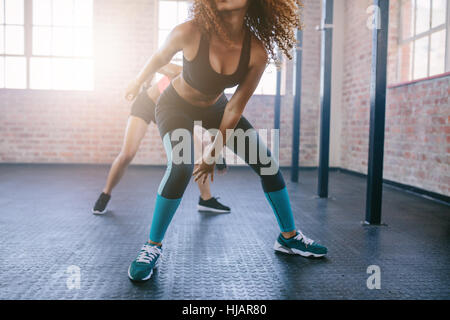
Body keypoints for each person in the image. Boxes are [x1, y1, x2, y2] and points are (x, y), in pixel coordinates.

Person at [125, 0, 327, 282]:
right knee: (181, 166)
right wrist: (137, 81)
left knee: (267, 164)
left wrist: (213, 151)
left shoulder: (256, 51)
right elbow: (159, 58)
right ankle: (152, 246)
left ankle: (289, 237)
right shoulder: (189, 32)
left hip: (218, 108)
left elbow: (234, 107)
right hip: (175, 106)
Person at [92, 63, 230, 215]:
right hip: (147, 105)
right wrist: (144, 83)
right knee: (127, 154)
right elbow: (154, 63)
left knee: (197, 151)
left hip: (170, 111)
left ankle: (206, 199)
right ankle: (105, 193)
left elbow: (204, 124)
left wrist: (216, 154)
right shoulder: (180, 71)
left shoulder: (204, 89)